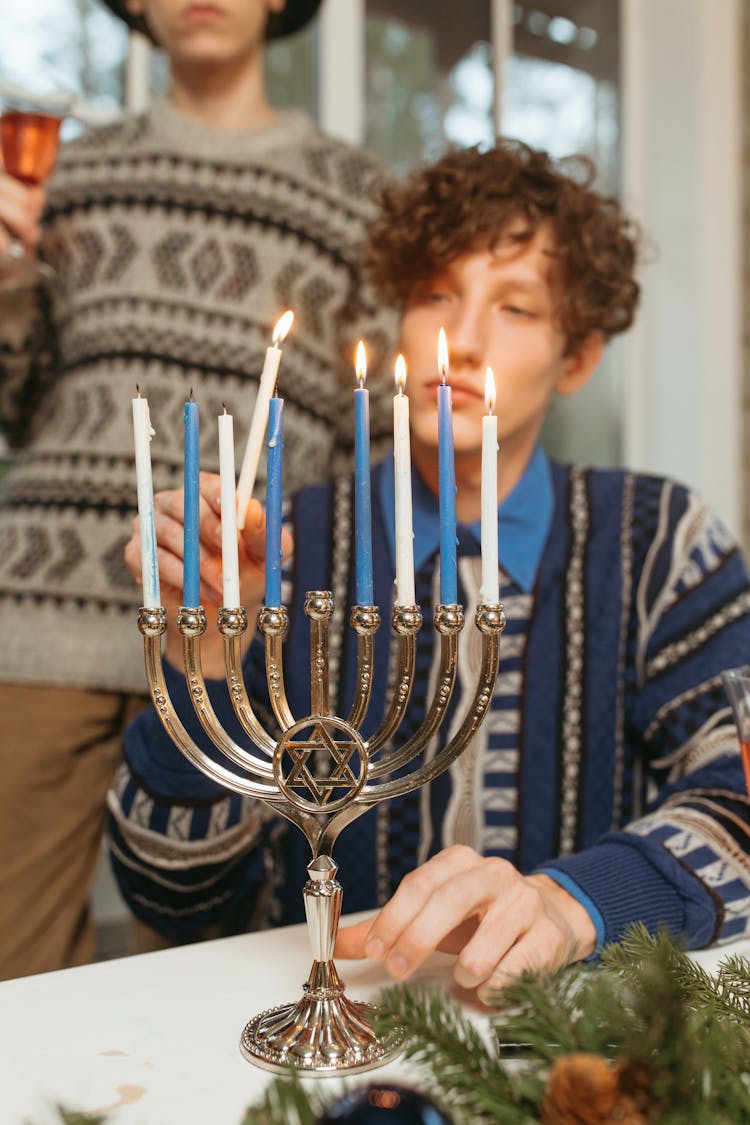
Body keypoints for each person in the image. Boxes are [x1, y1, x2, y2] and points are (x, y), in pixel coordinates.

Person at [110, 140, 750, 997]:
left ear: (579, 358)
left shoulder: (660, 544)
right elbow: (172, 893)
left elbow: (735, 798)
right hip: (330, 1030)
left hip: (578, 1035)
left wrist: (571, 903)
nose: (464, 341)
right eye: (435, 296)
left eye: (517, 308)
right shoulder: (283, 547)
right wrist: (208, 655)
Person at [0, 0, 396, 979]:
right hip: (45, 615)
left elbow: (374, 435)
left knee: (207, 968)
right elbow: (17, 402)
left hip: (237, 630)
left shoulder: (358, 197)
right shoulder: (72, 172)